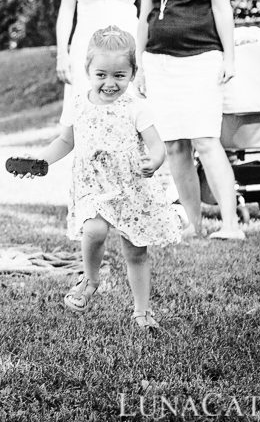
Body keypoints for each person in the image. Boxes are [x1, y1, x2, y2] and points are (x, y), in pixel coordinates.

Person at [18, 26, 181, 329]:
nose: (110, 83)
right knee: (94, 229)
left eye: (119, 75)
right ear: (88, 70)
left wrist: (153, 161)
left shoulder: (137, 107)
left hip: (131, 189)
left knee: (136, 251)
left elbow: (158, 147)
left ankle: (142, 312)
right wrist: (40, 161)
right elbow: (66, 141)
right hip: (93, 184)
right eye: (102, 74)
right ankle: (90, 280)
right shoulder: (78, 103)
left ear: (132, 73)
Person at [136, 0, 244, 241]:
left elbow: (222, 8)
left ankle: (231, 225)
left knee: (206, 140)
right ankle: (193, 225)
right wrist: (138, 63)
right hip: (158, 62)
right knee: (174, 146)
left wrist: (229, 56)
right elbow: (145, 15)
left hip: (201, 59)